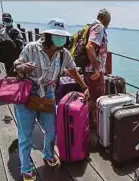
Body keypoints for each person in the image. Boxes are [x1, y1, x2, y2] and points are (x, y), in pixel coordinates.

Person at [13, 18, 89, 181]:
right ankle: (26, 168)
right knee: (25, 135)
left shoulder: (64, 54)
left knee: (52, 129)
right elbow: (17, 65)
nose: (60, 39)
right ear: (48, 36)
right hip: (27, 95)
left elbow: (73, 71)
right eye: (56, 35)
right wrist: (21, 67)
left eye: (63, 37)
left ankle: (48, 154)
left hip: (47, 94)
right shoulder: (32, 48)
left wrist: (85, 87)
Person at [84, 8, 110, 128]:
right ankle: (92, 122)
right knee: (96, 98)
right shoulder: (99, 27)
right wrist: (96, 69)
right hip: (93, 71)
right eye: (108, 21)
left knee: (92, 97)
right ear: (104, 18)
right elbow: (89, 47)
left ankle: (89, 120)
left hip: (90, 70)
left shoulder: (92, 26)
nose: (109, 24)